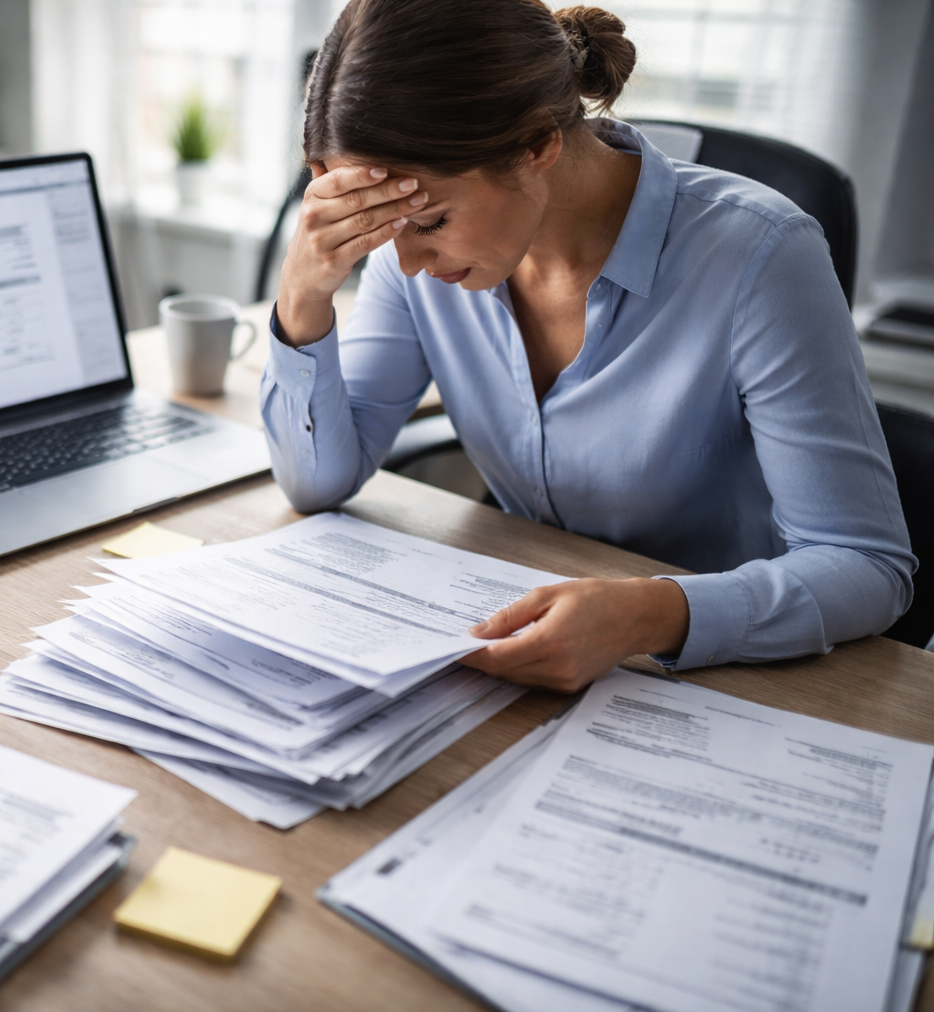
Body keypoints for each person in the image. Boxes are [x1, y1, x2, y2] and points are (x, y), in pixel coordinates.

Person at [262, 0, 913, 691]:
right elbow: (317, 483)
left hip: (739, 677)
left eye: (431, 221)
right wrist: (304, 296)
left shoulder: (761, 256)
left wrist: (647, 614)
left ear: (538, 144)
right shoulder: (411, 260)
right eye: (376, 224)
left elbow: (867, 566)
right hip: (528, 660)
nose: (408, 263)